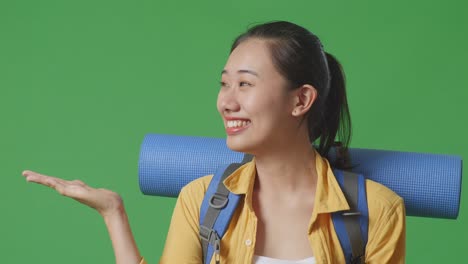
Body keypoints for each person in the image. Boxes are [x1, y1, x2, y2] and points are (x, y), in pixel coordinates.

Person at [22, 21, 405, 264]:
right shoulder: (202, 201)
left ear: (300, 100)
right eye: (224, 83)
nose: (226, 101)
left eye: (245, 83)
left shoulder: (377, 212)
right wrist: (113, 214)